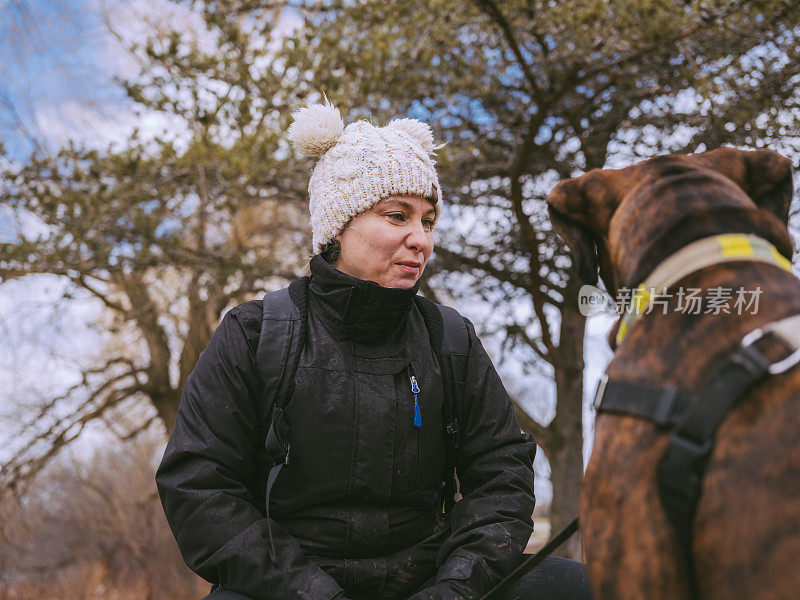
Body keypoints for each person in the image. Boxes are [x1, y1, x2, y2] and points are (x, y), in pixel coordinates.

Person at [156, 100, 593, 600]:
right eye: (397, 216)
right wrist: (311, 594)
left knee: (576, 588)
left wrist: (453, 590)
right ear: (338, 226)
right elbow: (198, 487)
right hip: (286, 585)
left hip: (431, 577)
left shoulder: (450, 339)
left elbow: (502, 477)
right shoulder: (254, 335)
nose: (421, 240)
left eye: (428, 221)